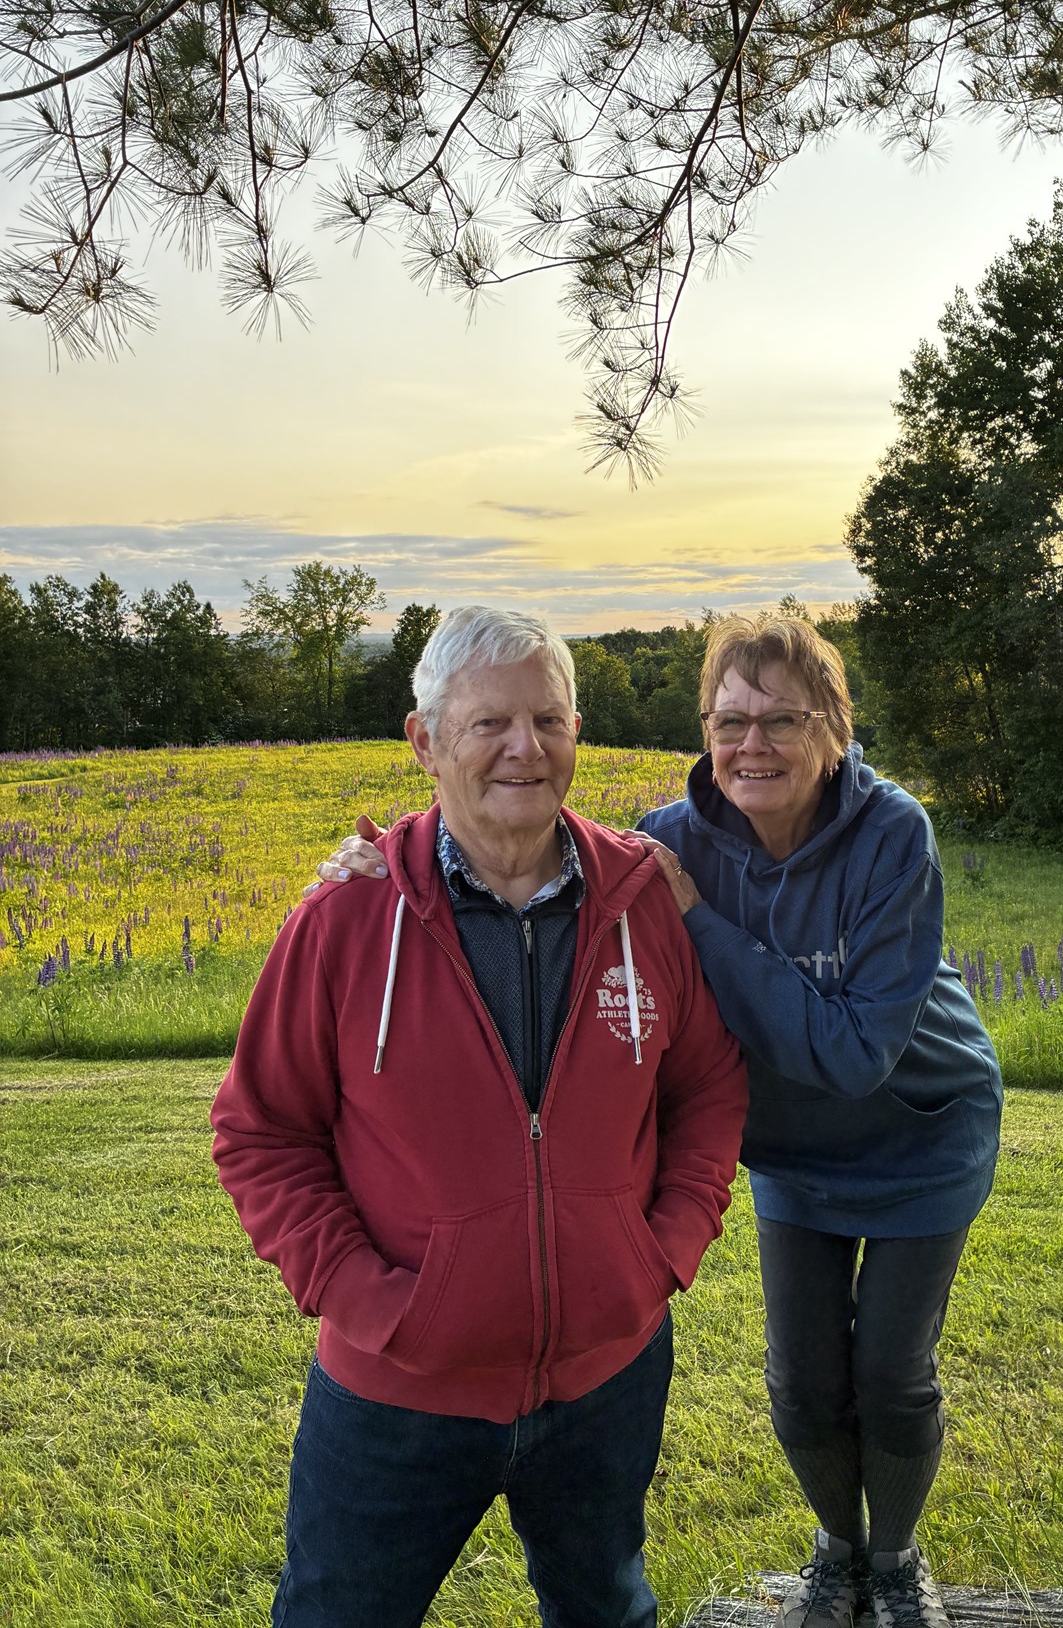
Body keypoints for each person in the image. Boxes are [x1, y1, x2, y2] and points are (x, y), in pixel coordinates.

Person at [315, 613, 1002, 1628]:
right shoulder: (672, 839)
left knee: (891, 1374)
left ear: (833, 731)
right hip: (789, 1150)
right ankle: (838, 1553)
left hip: (919, 1131)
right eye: (730, 721)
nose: (751, 745)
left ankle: (895, 1560)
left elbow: (858, 1056)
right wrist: (380, 865)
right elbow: (533, 834)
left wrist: (701, 922)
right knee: (806, 1384)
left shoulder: (891, 833)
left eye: (781, 720)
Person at [212, 605, 747, 1628]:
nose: (524, 748)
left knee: (608, 1608)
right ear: (425, 741)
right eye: (490, 722)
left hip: (607, 1378)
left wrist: (658, 1253)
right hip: (396, 1391)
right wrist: (369, 1299)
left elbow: (709, 1088)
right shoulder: (345, 919)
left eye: (548, 720)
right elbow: (261, 1132)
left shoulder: (641, 901)